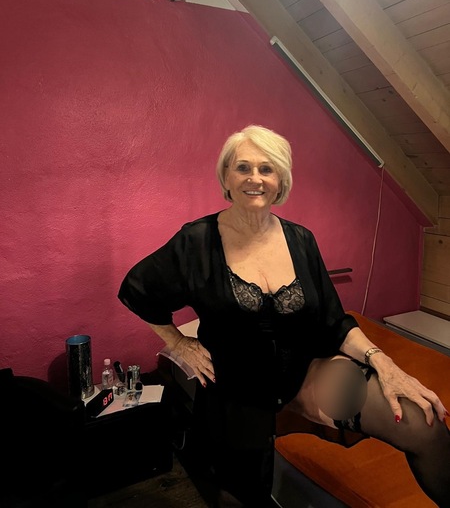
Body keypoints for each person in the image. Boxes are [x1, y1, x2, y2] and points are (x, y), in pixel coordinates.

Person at [118, 124, 450, 507]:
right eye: (243, 167)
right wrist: (178, 342)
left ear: (280, 181)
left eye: (267, 169)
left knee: (422, 424)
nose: (255, 178)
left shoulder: (301, 240)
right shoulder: (196, 241)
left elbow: (334, 321)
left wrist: (384, 363)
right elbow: (137, 289)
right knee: (243, 495)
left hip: (306, 375)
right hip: (237, 390)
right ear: (226, 177)